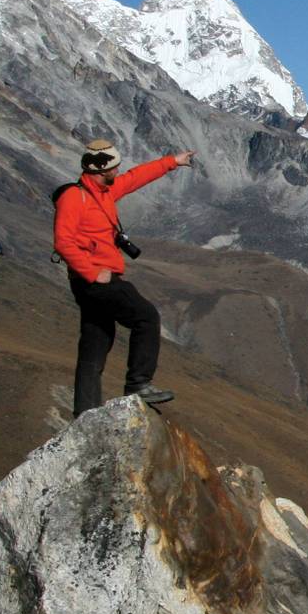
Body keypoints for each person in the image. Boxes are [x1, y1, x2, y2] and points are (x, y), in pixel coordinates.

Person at [52, 138, 194, 416]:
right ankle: (138, 384)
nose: (118, 170)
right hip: (95, 280)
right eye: (113, 166)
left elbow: (135, 178)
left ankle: (85, 412)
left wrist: (171, 162)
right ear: (100, 168)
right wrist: (93, 273)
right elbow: (63, 242)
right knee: (146, 316)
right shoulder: (74, 197)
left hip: (93, 280)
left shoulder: (104, 191)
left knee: (96, 343)